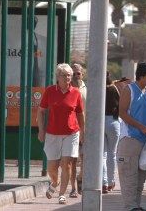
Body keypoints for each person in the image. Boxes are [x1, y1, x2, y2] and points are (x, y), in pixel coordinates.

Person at [37, 63, 85, 205]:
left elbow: (80, 114)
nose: (67, 78)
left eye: (69, 75)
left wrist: (83, 131)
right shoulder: (50, 91)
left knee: (67, 164)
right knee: (52, 167)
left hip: (71, 133)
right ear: (58, 77)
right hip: (52, 133)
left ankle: (62, 194)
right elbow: (41, 111)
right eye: (64, 75)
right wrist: (41, 130)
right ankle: (55, 181)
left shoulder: (76, 92)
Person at [117, 62, 146, 211]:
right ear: (141, 76)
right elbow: (122, 112)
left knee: (140, 176)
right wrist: (140, 126)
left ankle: (136, 206)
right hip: (130, 139)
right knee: (129, 175)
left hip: (144, 139)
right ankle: (130, 207)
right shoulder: (129, 90)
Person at [102, 74, 129, 194]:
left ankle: (103, 182)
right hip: (113, 122)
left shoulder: (98, 89)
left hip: (100, 122)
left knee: (102, 154)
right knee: (112, 154)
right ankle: (111, 181)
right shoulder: (115, 89)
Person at [69, 63, 86, 198]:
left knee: (85, 158)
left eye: (78, 73)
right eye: (73, 74)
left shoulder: (86, 89)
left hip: (84, 128)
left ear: (82, 74)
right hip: (70, 128)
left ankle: (81, 178)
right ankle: (73, 188)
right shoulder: (67, 89)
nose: (75, 76)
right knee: (73, 160)